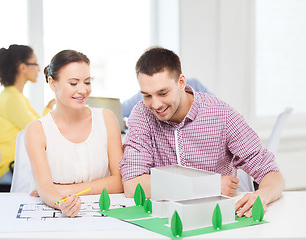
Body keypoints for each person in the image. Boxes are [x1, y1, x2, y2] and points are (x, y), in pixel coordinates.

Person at [119, 47, 285, 218]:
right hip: (163, 218)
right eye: (147, 96)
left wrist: (262, 196)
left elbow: (272, 173)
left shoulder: (222, 115)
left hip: (216, 217)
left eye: (163, 93)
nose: (155, 104)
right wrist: (208, 186)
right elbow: (133, 185)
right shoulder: (141, 114)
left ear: (181, 82)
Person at [25, 50, 123, 217]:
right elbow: (45, 188)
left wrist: (67, 189)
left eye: (87, 82)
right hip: (59, 214)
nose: (83, 90)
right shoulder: (36, 130)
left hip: (103, 212)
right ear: (52, 83)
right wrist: (61, 202)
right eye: (73, 83)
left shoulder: (107, 119)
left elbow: (120, 182)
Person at [0, 44, 55, 191]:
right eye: (35, 63)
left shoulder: (13, 96)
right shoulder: (13, 99)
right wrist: (51, 108)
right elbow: (39, 131)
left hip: (13, 167)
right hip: (11, 170)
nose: (39, 69)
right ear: (22, 67)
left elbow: (36, 125)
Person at [122, 78, 211, 118]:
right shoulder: (142, 94)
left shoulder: (193, 84)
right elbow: (121, 110)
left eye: (163, 93)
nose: (157, 105)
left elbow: (213, 107)